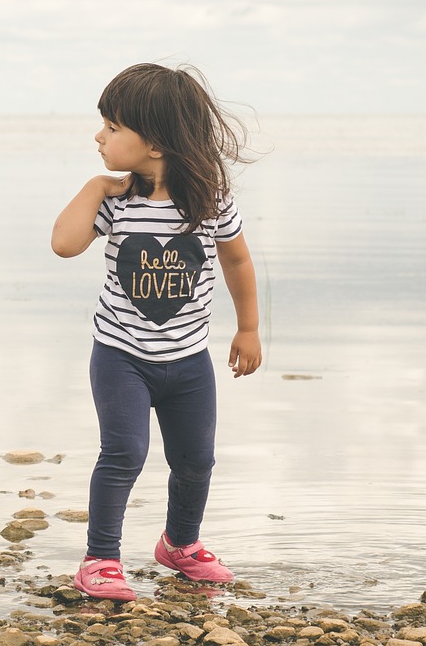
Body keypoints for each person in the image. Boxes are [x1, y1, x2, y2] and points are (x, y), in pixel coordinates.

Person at [50, 62, 263, 601]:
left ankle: (180, 545)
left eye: (113, 126)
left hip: (190, 360)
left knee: (196, 459)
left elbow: (237, 263)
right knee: (123, 452)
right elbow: (65, 244)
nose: (99, 135)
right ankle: (100, 559)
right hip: (120, 355)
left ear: (158, 144)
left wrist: (248, 328)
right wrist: (96, 185)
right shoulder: (117, 199)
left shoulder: (209, 201)